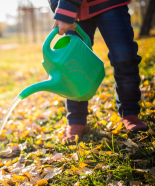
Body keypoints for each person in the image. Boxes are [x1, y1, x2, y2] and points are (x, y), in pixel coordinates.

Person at [47, 0, 148, 143]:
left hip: (108, 3)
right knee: (73, 65)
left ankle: (130, 113)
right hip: (77, 11)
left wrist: (65, 7)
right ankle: (76, 119)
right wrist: (59, 7)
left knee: (124, 57)